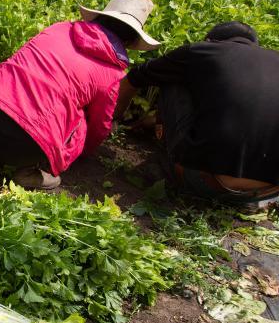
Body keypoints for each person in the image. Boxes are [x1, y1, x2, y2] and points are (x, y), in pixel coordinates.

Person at [0, 0, 160, 190]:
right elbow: (99, 128)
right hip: (24, 148)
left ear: (99, 17)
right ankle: (30, 172)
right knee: (81, 121)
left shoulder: (60, 29)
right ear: (130, 42)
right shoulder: (112, 73)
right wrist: (81, 153)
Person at [114, 21, 279, 207]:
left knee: (172, 79)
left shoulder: (202, 52)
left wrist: (114, 120)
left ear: (211, 41)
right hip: (265, 194)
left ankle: (170, 164)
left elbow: (134, 79)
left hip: (206, 183)